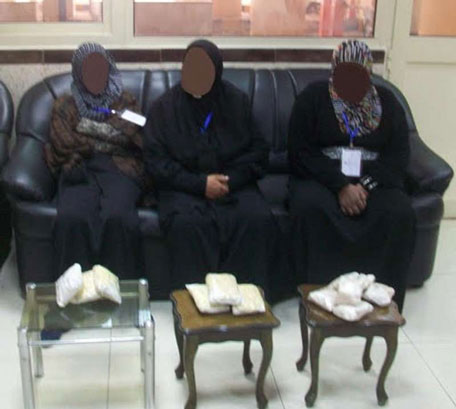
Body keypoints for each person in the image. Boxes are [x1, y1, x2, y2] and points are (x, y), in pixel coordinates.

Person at [287, 40, 415, 312]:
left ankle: (380, 298)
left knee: (400, 212)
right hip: (323, 176)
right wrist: (341, 186)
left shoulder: (388, 102)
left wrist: (365, 186)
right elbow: (301, 151)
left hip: (374, 180)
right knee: (309, 207)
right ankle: (319, 295)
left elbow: (398, 155)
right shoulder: (312, 98)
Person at [144, 39, 277, 298]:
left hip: (234, 185)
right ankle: (193, 303)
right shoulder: (164, 107)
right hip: (184, 187)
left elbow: (259, 152)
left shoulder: (236, 102)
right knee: (186, 224)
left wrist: (229, 181)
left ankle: (246, 301)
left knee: (256, 218)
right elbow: (156, 162)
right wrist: (200, 184)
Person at [45, 42, 145, 279]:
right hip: (78, 166)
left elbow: (131, 135)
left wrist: (83, 127)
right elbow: (64, 143)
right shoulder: (64, 104)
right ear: (78, 72)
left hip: (120, 168)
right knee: (72, 218)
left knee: (118, 217)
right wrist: (108, 135)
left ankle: (120, 290)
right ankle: (76, 292)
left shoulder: (126, 101)